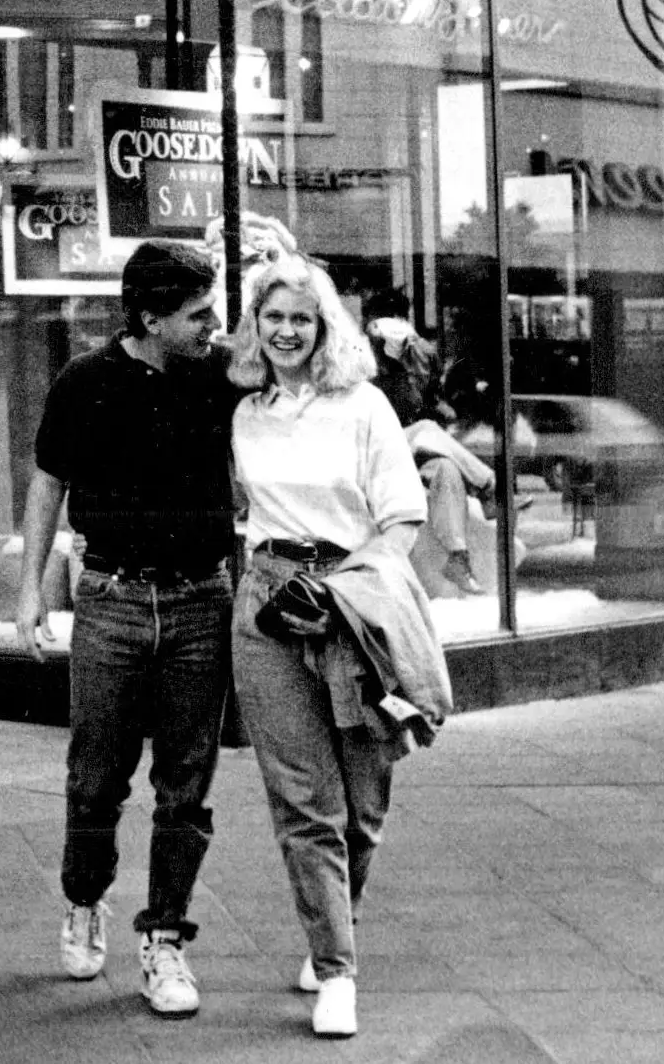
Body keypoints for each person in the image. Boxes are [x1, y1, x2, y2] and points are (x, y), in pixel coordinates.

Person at [12, 239, 245, 1018]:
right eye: (197, 313)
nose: (213, 324)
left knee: (186, 781)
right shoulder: (85, 381)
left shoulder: (218, 374)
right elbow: (48, 484)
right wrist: (30, 591)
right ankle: (83, 900)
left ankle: (165, 938)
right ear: (149, 317)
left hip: (201, 601)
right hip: (109, 598)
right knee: (95, 775)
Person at [230, 251, 443, 1042]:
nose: (285, 330)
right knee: (303, 799)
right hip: (268, 607)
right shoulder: (243, 410)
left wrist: (348, 591)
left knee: (364, 799)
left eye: (300, 318)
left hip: (355, 600)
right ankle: (336, 970)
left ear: (324, 326)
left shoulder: (362, 406)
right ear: (254, 325)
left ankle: (332, 923)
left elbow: (402, 516)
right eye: (272, 317)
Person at [365, 286, 494, 594]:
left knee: (446, 468)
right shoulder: (361, 366)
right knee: (424, 429)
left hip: (405, 454)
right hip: (373, 453)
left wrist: (412, 358)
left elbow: (428, 372)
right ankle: (490, 487)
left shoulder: (404, 376)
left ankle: (458, 558)